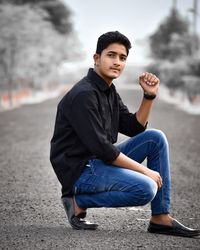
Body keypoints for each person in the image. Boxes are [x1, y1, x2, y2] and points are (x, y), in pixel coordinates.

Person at [50, 31, 199, 236]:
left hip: (96, 161)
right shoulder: (84, 95)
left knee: (155, 138)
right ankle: (78, 200)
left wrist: (149, 96)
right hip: (80, 170)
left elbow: (133, 127)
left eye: (122, 58)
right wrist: (145, 171)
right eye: (111, 55)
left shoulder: (108, 90)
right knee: (146, 188)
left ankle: (160, 218)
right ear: (96, 58)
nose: (117, 62)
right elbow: (103, 149)